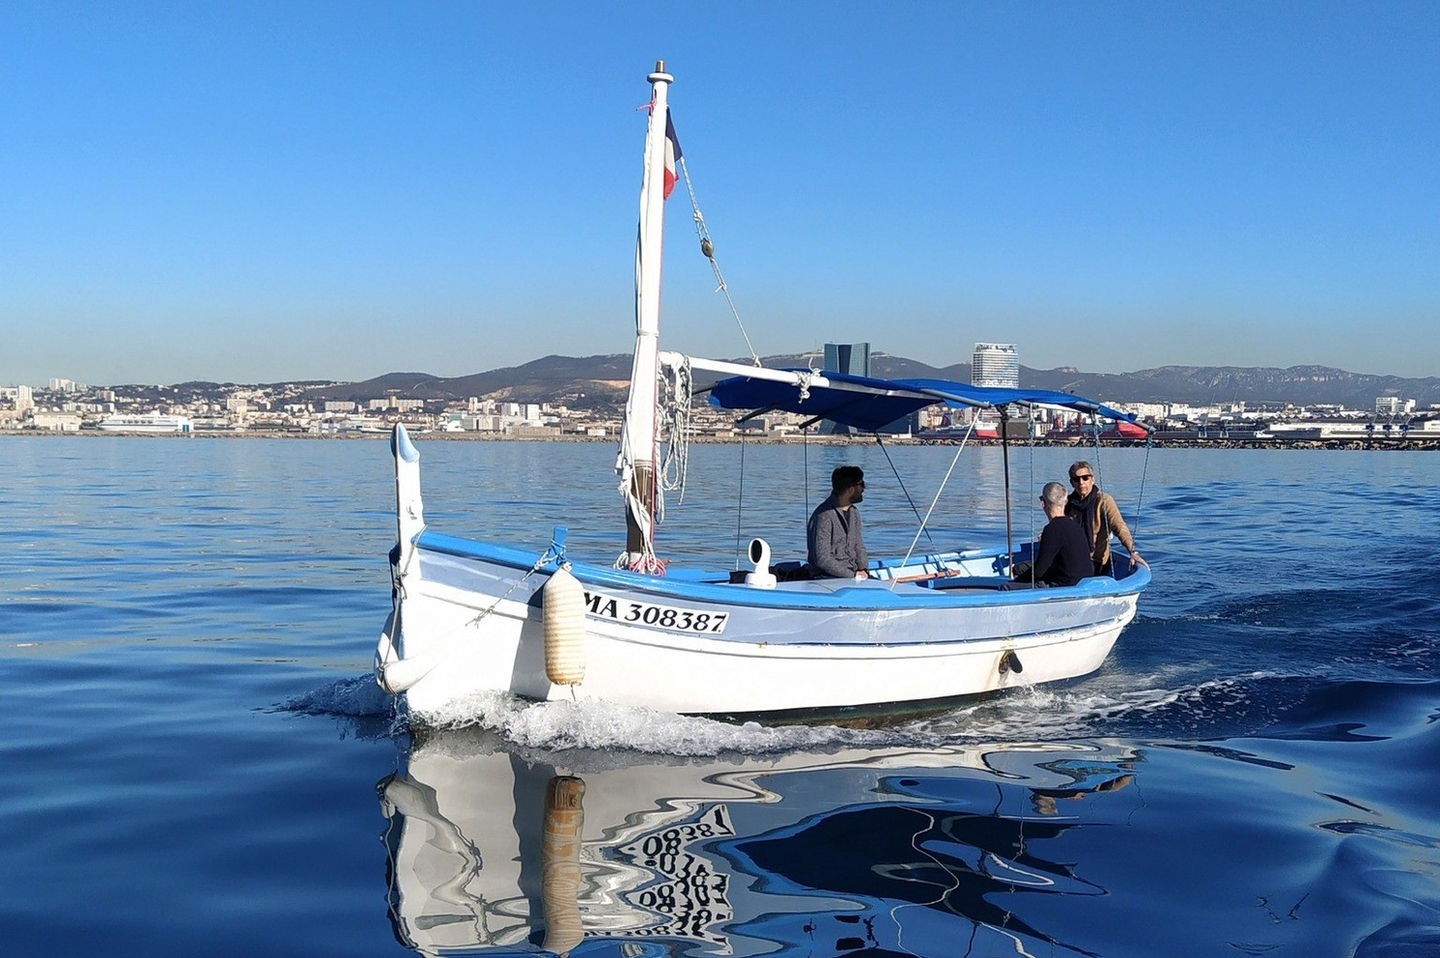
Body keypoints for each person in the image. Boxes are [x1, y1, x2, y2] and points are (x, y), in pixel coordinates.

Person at [1064, 460, 1148, 576]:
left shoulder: (1104, 501)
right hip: (1071, 558)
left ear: (1093, 479)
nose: (1081, 482)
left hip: (1095, 561)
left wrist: (1132, 552)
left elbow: (1119, 527)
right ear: (1072, 482)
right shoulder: (1067, 504)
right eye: (1076, 479)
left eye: (1085, 478)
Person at [1015, 481, 1093, 587]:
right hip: (1084, 582)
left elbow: (1038, 571)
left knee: (1007, 586)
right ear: (1065, 502)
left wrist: (1017, 582)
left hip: (1063, 586)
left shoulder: (1051, 529)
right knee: (1020, 568)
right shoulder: (1076, 526)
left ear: (1043, 503)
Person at [806, 466, 870, 579]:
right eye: (861, 484)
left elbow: (859, 546)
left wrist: (863, 569)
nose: (863, 488)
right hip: (826, 577)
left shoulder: (854, 513)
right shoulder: (824, 516)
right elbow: (822, 559)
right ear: (851, 489)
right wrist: (853, 575)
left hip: (853, 574)